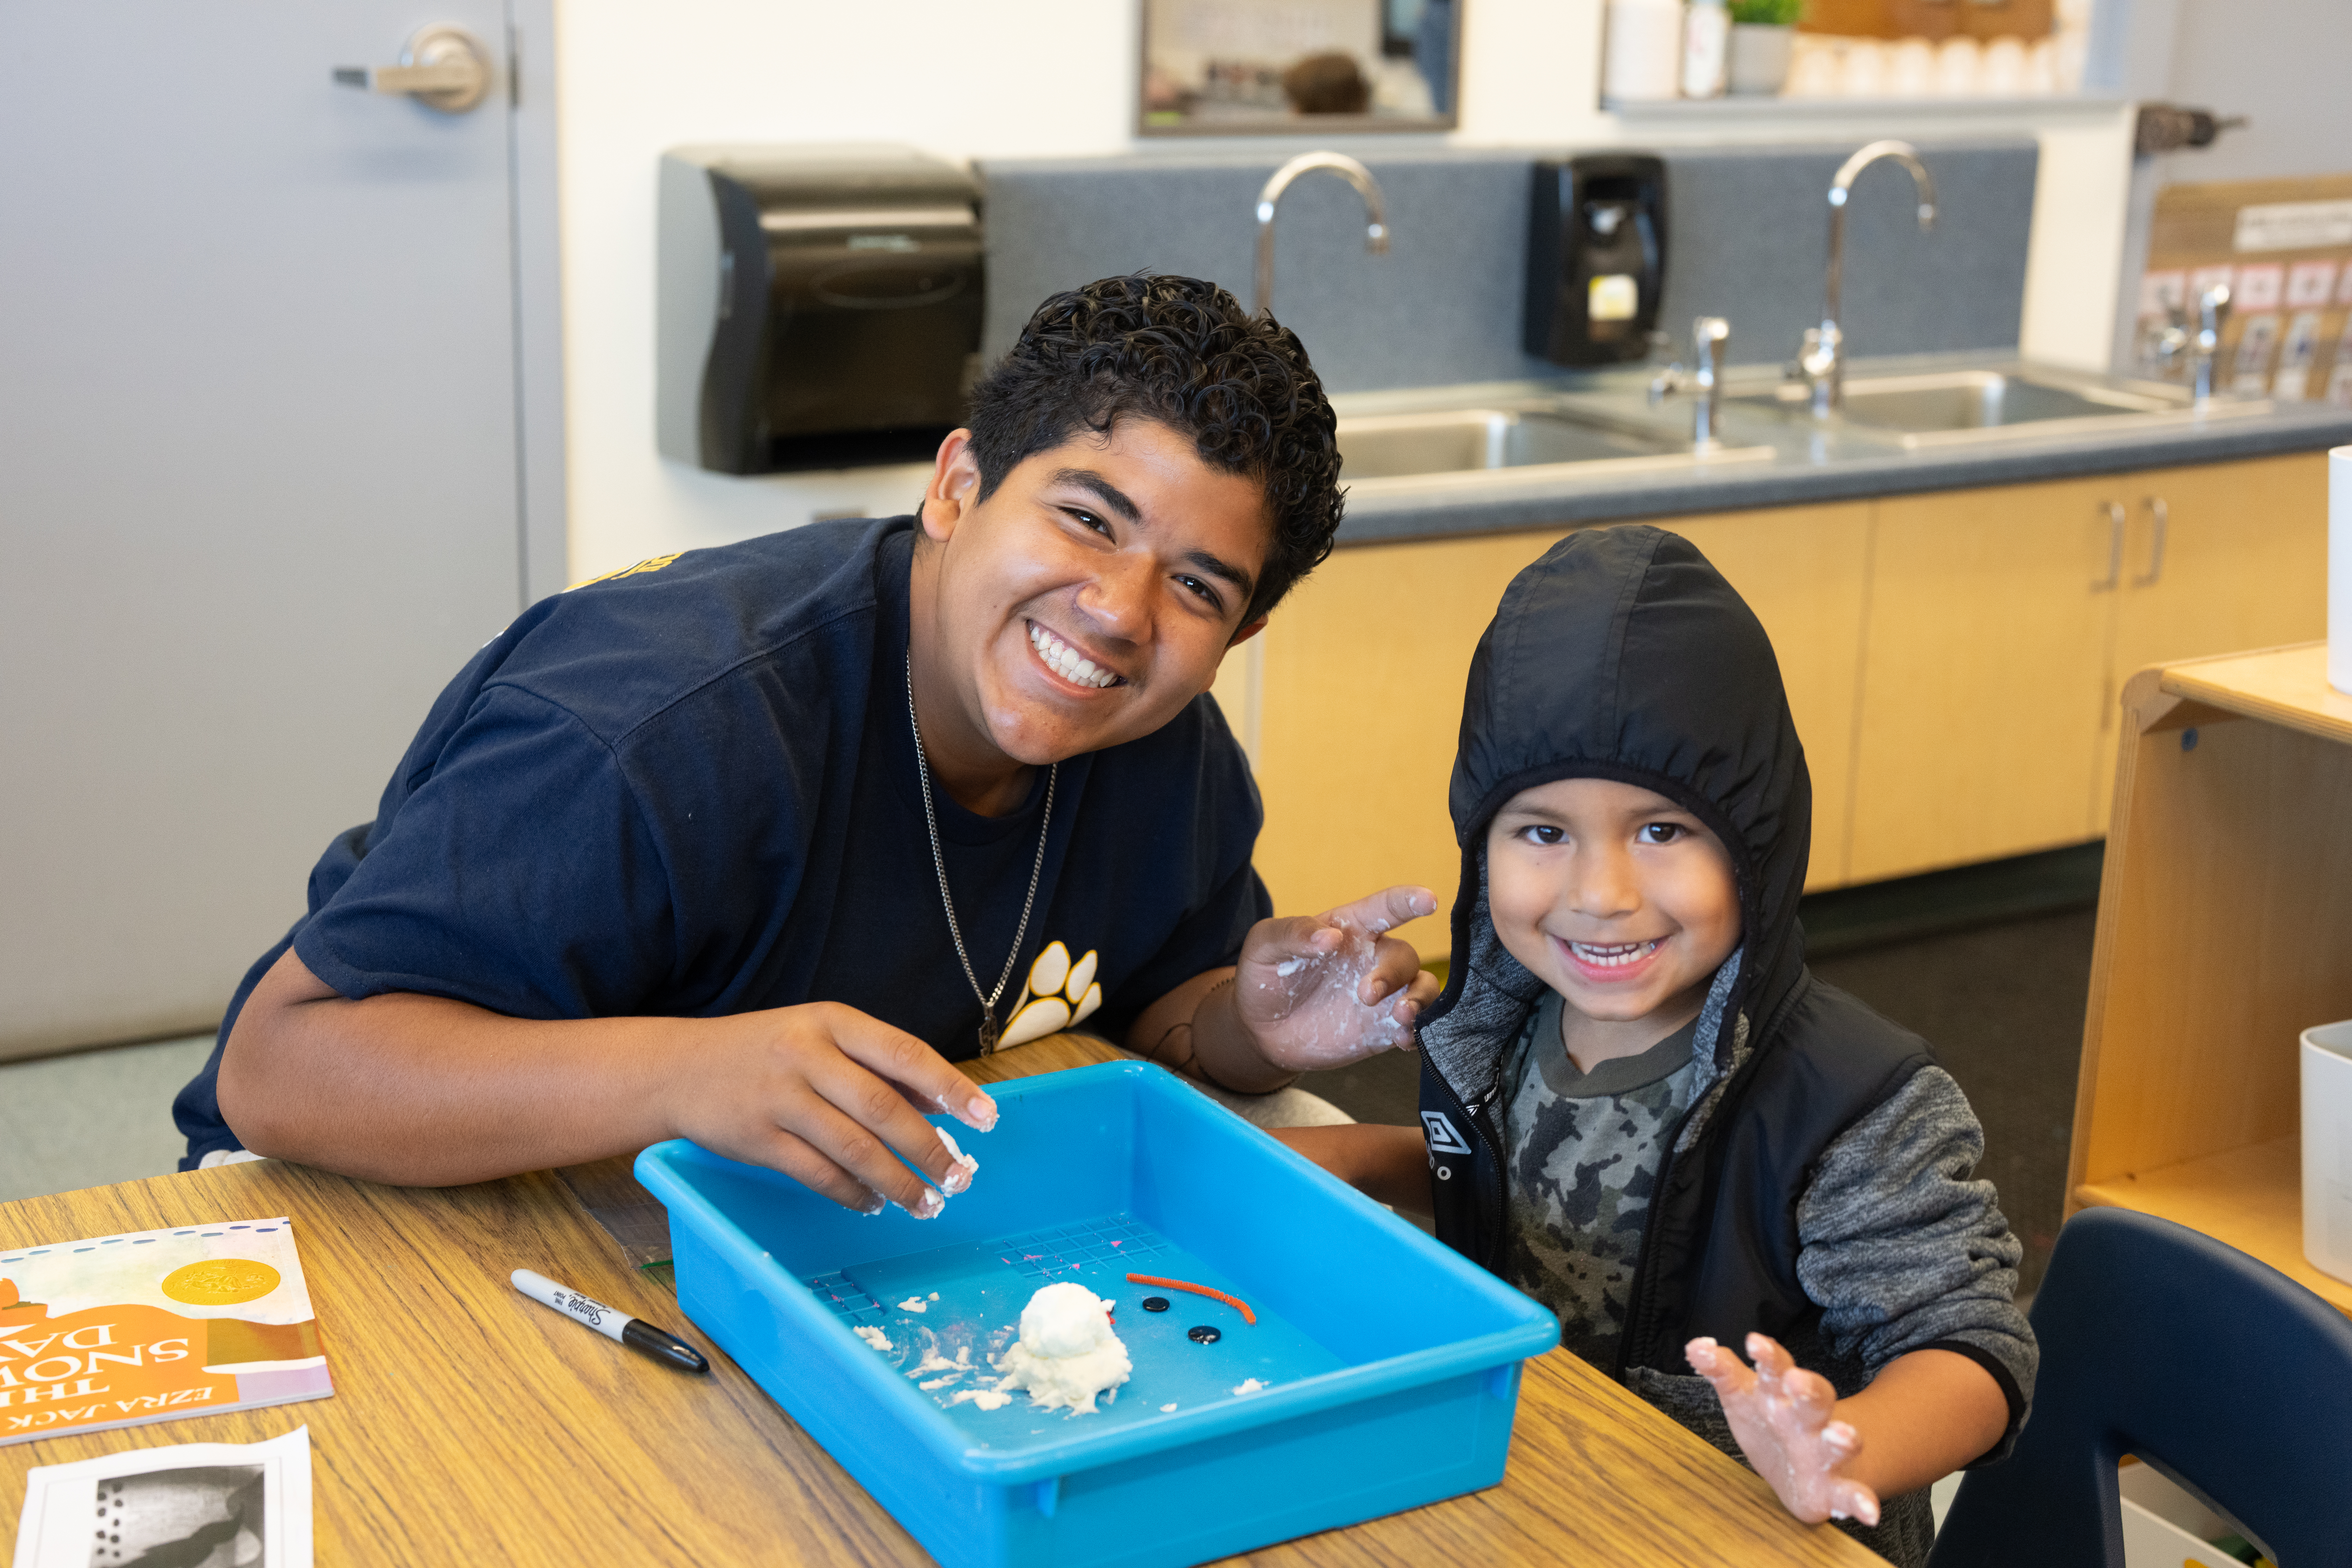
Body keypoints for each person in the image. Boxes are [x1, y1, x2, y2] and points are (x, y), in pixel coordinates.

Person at [174, 273, 1439, 1212]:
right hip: (390, 1194)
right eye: (1087, 519)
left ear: (1245, 628)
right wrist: (687, 1075)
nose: (1119, 613)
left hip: (775, 1217)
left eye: (1199, 588)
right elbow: (282, 1066)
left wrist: (1252, 1027)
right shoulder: (659, 728)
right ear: (956, 487)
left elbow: (1159, 1004)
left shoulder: (1166, 745)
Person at [1276, 526, 2036, 1566]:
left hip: (1750, 1535)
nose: (1602, 896)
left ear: (1756, 844)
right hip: (1545, 1490)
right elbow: (1535, 1194)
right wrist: (1366, 1155)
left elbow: (1971, 1348)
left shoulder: (1858, 1103)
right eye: (1543, 833)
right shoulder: (1503, 1023)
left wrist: (1845, 1451)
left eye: (1663, 832)